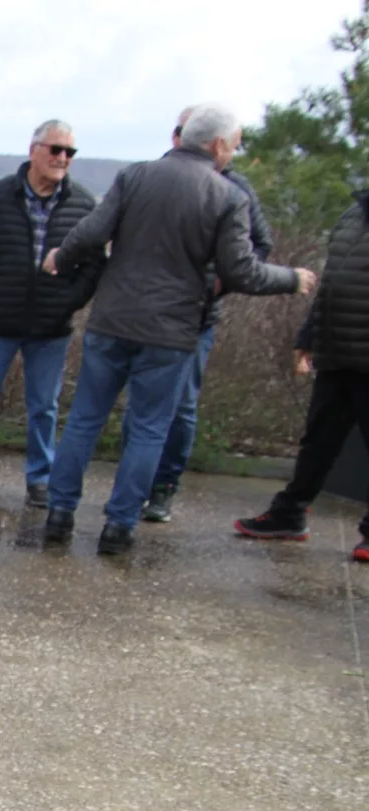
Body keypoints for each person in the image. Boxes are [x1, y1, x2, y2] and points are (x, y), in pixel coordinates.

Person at [40, 103, 316, 554]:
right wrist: (292, 279)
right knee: (149, 429)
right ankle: (119, 527)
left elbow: (92, 232)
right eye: (235, 145)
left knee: (84, 420)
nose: (235, 153)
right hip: (170, 333)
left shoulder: (136, 176)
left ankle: (59, 514)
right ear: (218, 144)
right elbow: (242, 271)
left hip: (112, 321)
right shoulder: (228, 197)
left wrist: (60, 257)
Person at [0, 119, 102, 508]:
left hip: (51, 328)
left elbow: (94, 265)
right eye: (55, 150)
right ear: (34, 150)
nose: (62, 158)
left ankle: (40, 478)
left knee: (44, 406)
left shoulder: (81, 203)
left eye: (69, 152)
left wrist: (68, 302)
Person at [140, 107, 276, 523]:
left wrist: (217, 283)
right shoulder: (151, 176)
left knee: (181, 404)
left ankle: (162, 488)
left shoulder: (236, 189)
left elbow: (259, 247)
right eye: (183, 131)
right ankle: (135, 484)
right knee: (141, 404)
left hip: (196, 317)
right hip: (146, 311)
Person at [234, 189, 369, 556]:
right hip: (336, 351)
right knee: (318, 441)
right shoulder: (352, 215)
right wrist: (308, 335)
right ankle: (289, 514)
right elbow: (332, 284)